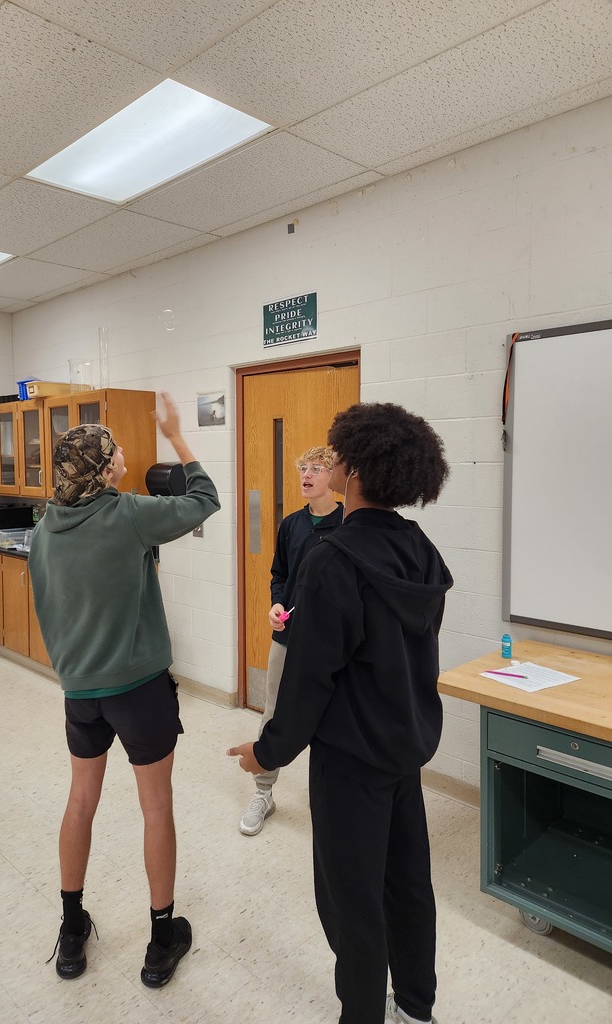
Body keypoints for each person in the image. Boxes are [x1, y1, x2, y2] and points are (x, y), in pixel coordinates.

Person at [228, 402, 453, 1024]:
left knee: (351, 899)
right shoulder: (420, 550)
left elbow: (307, 682)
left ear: (350, 471)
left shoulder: (335, 559)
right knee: (408, 885)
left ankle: (362, 1013)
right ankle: (415, 1006)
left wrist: (265, 752)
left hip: (351, 762)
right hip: (404, 750)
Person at [29, 393, 220, 988]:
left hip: (80, 691)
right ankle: (162, 939)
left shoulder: (43, 531)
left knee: (80, 800)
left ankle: (70, 933)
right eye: (114, 452)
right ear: (104, 466)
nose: (122, 456)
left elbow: (49, 609)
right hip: (138, 690)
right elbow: (204, 499)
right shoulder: (130, 514)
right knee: (155, 806)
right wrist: (178, 437)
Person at [239, 446, 342, 836]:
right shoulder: (291, 525)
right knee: (274, 712)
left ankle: (332, 801)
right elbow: (278, 573)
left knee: (335, 721)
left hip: (332, 643)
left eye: (317, 468)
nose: (307, 474)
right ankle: (264, 793)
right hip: (287, 638)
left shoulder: (350, 523)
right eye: (303, 467)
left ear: (334, 476)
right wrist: (276, 603)